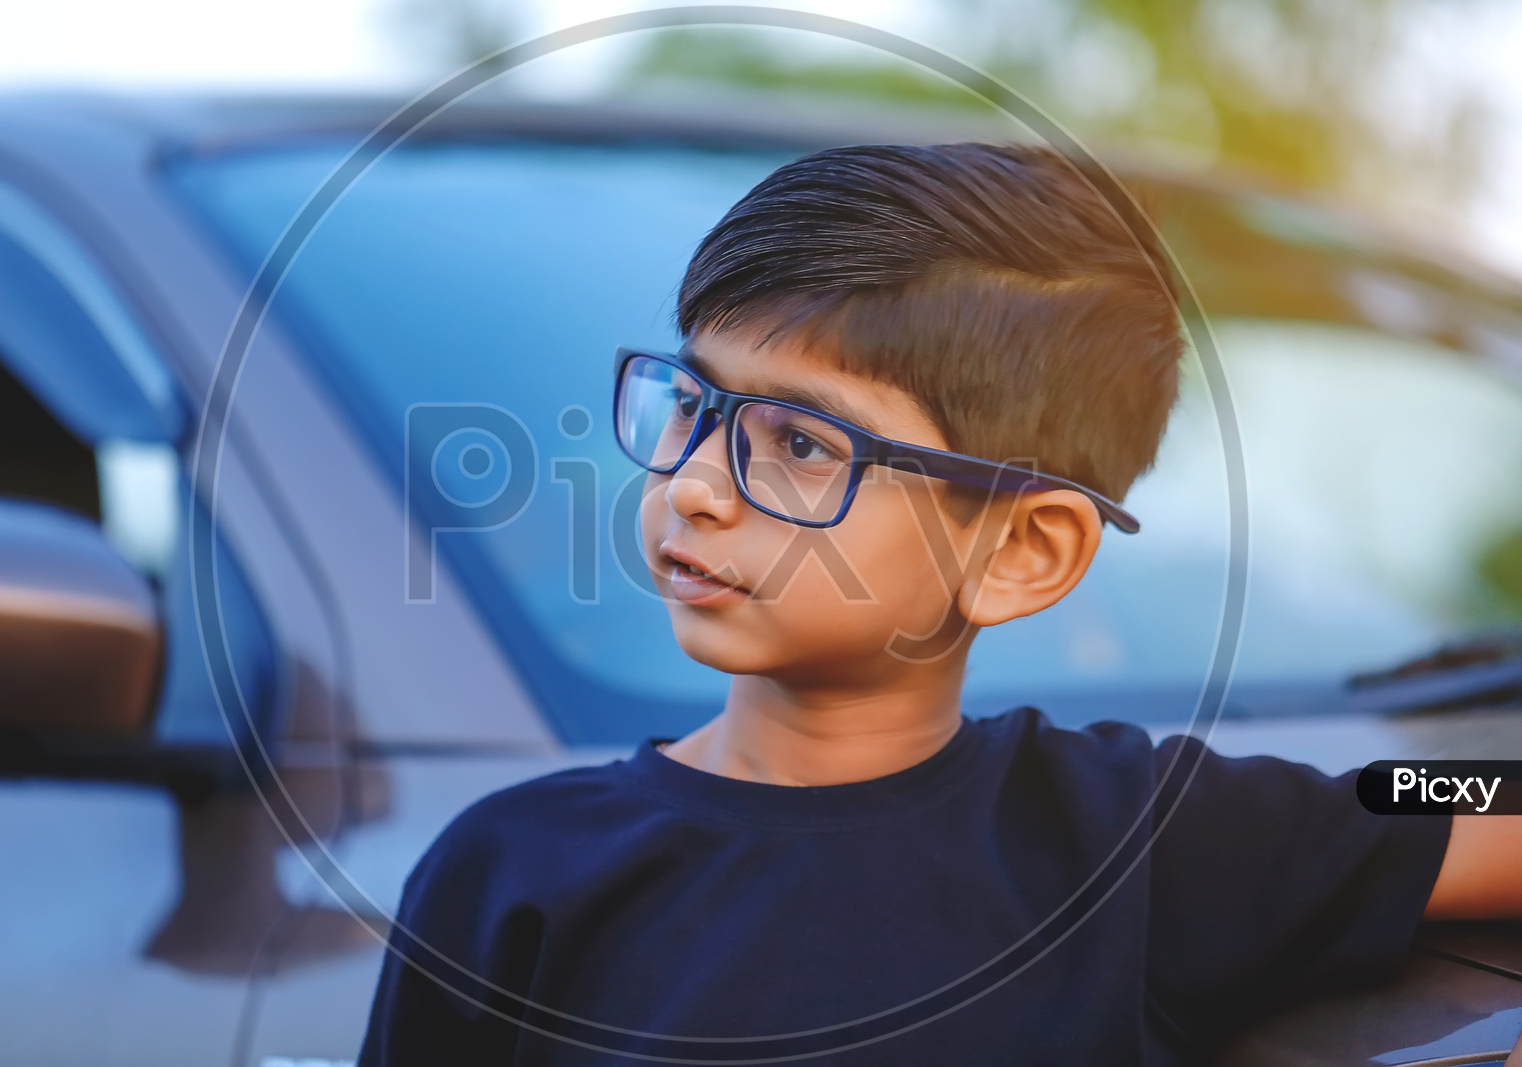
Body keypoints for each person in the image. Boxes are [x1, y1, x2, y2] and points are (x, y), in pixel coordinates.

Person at [357, 142, 1522, 1065]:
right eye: (691, 402)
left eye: (803, 443)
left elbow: (1469, 796)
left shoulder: (1137, 837)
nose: (696, 483)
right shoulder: (513, 869)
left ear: (1020, 550)